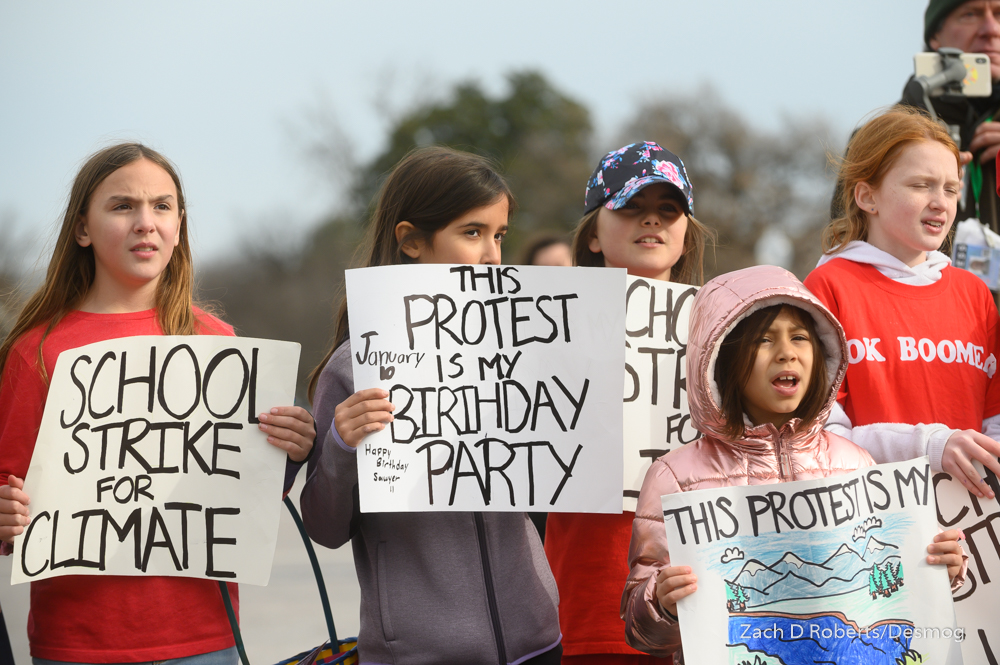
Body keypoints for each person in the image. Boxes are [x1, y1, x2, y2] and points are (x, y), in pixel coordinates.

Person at [0, 143, 316, 664]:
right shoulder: (37, 352)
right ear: (82, 229)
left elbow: (245, 494)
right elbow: (8, 496)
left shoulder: (218, 342)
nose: (146, 222)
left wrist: (292, 451)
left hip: (207, 641)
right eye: (123, 206)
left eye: (162, 206)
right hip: (77, 645)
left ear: (179, 225)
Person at [299, 146, 562, 665]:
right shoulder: (355, 367)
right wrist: (339, 445)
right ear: (412, 241)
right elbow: (324, 528)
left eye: (500, 235)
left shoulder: (529, 352)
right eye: (472, 233)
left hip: (539, 642)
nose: (492, 255)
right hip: (418, 653)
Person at [621, 265, 967, 658]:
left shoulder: (856, 461)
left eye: (799, 337)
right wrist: (663, 604)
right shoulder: (674, 476)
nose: (786, 352)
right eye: (764, 340)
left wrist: (942, 570)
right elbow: (640, 631)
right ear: (722, 359)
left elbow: (898, 585)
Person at [542, 141, 711, 665]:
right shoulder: (547, 331)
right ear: (593, 233)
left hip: (696, 595)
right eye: (631, 208)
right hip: (587, 592)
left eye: (668, 210)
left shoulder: (723, 333)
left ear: (686, 234)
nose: (652, 222)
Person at [805, 107, 1000, 499]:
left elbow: (994, 422)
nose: (941, 203)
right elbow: (822, 436)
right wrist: (929, 447)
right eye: (921, 185)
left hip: (974, 530)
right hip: (874, 528)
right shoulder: (827, 286)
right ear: (867, 196)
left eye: (950, 188)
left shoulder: (975, 293)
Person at [881, 1, 1000, 229]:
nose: (991, 30)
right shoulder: (883, 138)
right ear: (935, 35)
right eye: (970, 14)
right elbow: (850, 238)